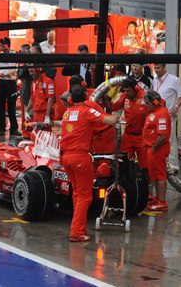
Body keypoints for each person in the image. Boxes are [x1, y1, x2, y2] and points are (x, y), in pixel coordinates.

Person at [61, 86, 119, 241]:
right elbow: (110, 120)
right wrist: (118, 115)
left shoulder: (66, 113)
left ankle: (79, 227)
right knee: (85, 196)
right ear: (85, 99)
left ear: (71, 100)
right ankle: (76, 232)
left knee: (77, 194)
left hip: (66, 158)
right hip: (80, 157)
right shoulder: (86, 111)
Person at [152, 63, 181, 172]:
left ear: (164, 67)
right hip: (156, 116)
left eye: (158, 67)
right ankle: (162, 164)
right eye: (155, 68)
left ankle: (173, 166)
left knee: (170, 140)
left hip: (168, 115)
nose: (157, 70)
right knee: (158, 141)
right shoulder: (154, 81)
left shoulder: (174, 80)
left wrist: (176, 106)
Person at [111, 78, 149, 172]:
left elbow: (160, 106)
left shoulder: (146, 96)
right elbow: (111, 107)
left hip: (143, 136)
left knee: (145, 166)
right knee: (124, 164)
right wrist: (105, 96)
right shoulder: (124, 97)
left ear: (136, 88)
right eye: (125, 91)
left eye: (128, 91)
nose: (127, 93)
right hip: (128, 136)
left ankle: (145, 183)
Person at [142, 90, 171, 211]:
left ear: (154, 102)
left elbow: (163, 135)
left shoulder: (162, 114)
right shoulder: (155, 111)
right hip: (152, 148)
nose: (146, 105)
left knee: (160, 175)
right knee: (155, 174)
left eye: (147, 103)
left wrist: (153, 149)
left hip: (157, 149)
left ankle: (162, 201)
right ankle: (158, 198)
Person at [0, 37, 20, 139]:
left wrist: (14, 75)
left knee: (12, 106)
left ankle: (14, 128)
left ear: (6, 46)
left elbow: (19, 70)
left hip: (11, 83)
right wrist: (0, 73)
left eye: (0, 45)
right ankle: (1, 128)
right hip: (1, 82)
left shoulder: (15, 55)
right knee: (0, 106)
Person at [16, 45, 32, 136]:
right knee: (25, 116)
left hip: (30, 93)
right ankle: (26, 134)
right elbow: (20, 75)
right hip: (25, 92)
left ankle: (28, 135)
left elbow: (21, 74)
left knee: (29, 116)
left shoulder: (29, 63)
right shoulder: (22, 63)